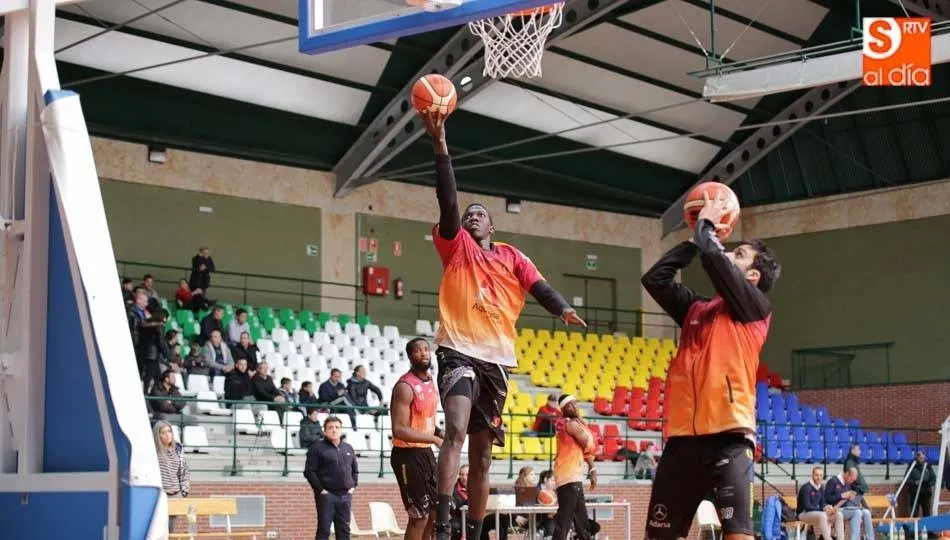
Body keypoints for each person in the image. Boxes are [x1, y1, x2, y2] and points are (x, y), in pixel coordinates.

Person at [420, 111, 587, 540]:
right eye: (469, 213)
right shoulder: (455, 245)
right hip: (457, 347)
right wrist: (441, 145)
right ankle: (442, 525)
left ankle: (474, 532)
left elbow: (540, 286)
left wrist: (563, 309)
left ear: (492, 226)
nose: (472, 216)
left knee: (481, 458)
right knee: (454, 428)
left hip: (496, 360)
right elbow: (448, 200)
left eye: (480, 215)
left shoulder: (513, 256)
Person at [640, 190, 781, 540]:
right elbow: (655, 279)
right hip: (682, 440)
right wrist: (694, 241)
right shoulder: (696, 309)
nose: (728, 252)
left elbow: (715, 261)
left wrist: (707, 228)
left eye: (740, 254)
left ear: (752, 277)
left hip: (729, 438)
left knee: (738, 535)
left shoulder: (755, 308)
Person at [390, 338, 443, 540]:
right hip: (406, 456)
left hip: (425, 453)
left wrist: (439, 433)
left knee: (435, 512)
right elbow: (399, 429)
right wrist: (433, 439)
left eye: (426, 349)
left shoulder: (430, 380)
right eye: (418, 350)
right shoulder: (404, 386)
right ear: (410, 356)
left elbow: (423, 420)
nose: (423, 353)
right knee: (419, 516)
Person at [303, 416, 358, 540]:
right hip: (327, 496)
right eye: (330, 427)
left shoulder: (348, 448)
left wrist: (352, 487)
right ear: (325, 431)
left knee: (344, 530)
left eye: (337, 427)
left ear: (341, 429)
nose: (334, 430)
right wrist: (321, 490)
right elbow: (309, 471)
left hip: (345, 495)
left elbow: (355, 471)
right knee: (324, 530)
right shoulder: (316, 448)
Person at [552, 395, 596, 540]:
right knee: (564, 521)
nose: (574, 407)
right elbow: (588, 443)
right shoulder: (569, 424)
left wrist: (592, 469)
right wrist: (584, 426)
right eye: (570, 405)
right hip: (568, 476)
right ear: (563, 408)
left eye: (575, 404)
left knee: (582, 521)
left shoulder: (573, 423)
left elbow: (587, 449)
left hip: (573, 477)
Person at [153, 420, 190, 533]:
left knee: (170, 529)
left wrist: (184, 492)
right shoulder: (154, 452)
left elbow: (184, 472)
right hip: (160, 496)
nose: (167, 434)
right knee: (159, 529)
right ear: (157, 435)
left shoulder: (178, 450)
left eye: (169, 431)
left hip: (175, 495)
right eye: (163, 432)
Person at [796, 467, 844, 540]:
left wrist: (828, 507)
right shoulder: (806, 488)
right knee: (823, 515)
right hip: (803, 514)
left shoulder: (821, 487)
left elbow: (822, 503)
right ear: (812, 475)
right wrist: (823, 509)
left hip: (815, 513)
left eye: (820, 475)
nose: (819, 477)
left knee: (838, 514)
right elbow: (807, 507)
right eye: (816, 475)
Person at [825, 467, 873, 540]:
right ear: (847, 474)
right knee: (857, 512)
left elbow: (847, 498)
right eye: (851, 479)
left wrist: (851, 497)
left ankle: (871, 538)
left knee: (867, 512)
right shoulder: (833, 481)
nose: (852, 482)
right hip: (835, 509)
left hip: (848, 508)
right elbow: (827, 498)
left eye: (853, 480)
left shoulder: (849, 484)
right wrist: (842, 495)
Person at [906, 451, 937, 517]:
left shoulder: (928, 466)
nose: (922, 460)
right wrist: (915, 482)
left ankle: (927, 526)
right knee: (914, 511)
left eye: (923, 458)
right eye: (920, 458)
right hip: (915, 492)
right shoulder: (912, 466)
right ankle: (914, 525)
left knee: (926, 511)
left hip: (926, 492)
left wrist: (930, 484)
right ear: (917, 458)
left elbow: (933, 477)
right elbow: (907, 479)